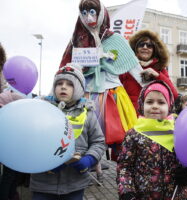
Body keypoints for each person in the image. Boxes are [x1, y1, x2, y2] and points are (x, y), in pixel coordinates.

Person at [60, 0, 140, 162]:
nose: (88, 17)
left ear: (101, 13)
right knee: (81, 136)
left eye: (92, 12)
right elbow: (64, 69)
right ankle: (87, 164)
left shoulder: (116, 39)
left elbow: (135, 68)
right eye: (84, 13)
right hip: (85, 94)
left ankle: (124, 172)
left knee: (121, 136)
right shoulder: (76, 41)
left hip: (112, 94)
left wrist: (154, 86)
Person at [30, 65, 106, 200]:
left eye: (69, 84)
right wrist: (45, 162)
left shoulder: (87, 114)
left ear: (78, 89)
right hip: (43, 183)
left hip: (75, 184)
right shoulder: (41, 110)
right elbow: (30, 140)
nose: (63, 87)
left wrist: (89, 159)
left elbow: (98, 142)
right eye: (59, 83)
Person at [116, 80, 187, 200]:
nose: (155, 106)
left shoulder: (178, 131)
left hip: (175, 196)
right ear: (142, 105)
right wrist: (127, 191)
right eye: (149, 102)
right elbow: (124, 167)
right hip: (142, 196)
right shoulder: (133, 134)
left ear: (169, 106)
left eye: (161, 102)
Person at [120, 29, 178, 112]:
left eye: (149, 45)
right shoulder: (126, 67)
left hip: (152, 117)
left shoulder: (160, 69)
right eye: (141, 44)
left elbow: (174, 95)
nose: (145, 47)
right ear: (135, 49)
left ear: (154, 50)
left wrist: (157, 75)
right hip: (130, 118)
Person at [0, 90, 24, 200]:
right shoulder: (9, 96)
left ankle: (12, 194)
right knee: (10, 175)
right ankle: (9, 195)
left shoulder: (6, 97)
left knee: (10, 175)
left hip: (9, 145)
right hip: (10, 146)